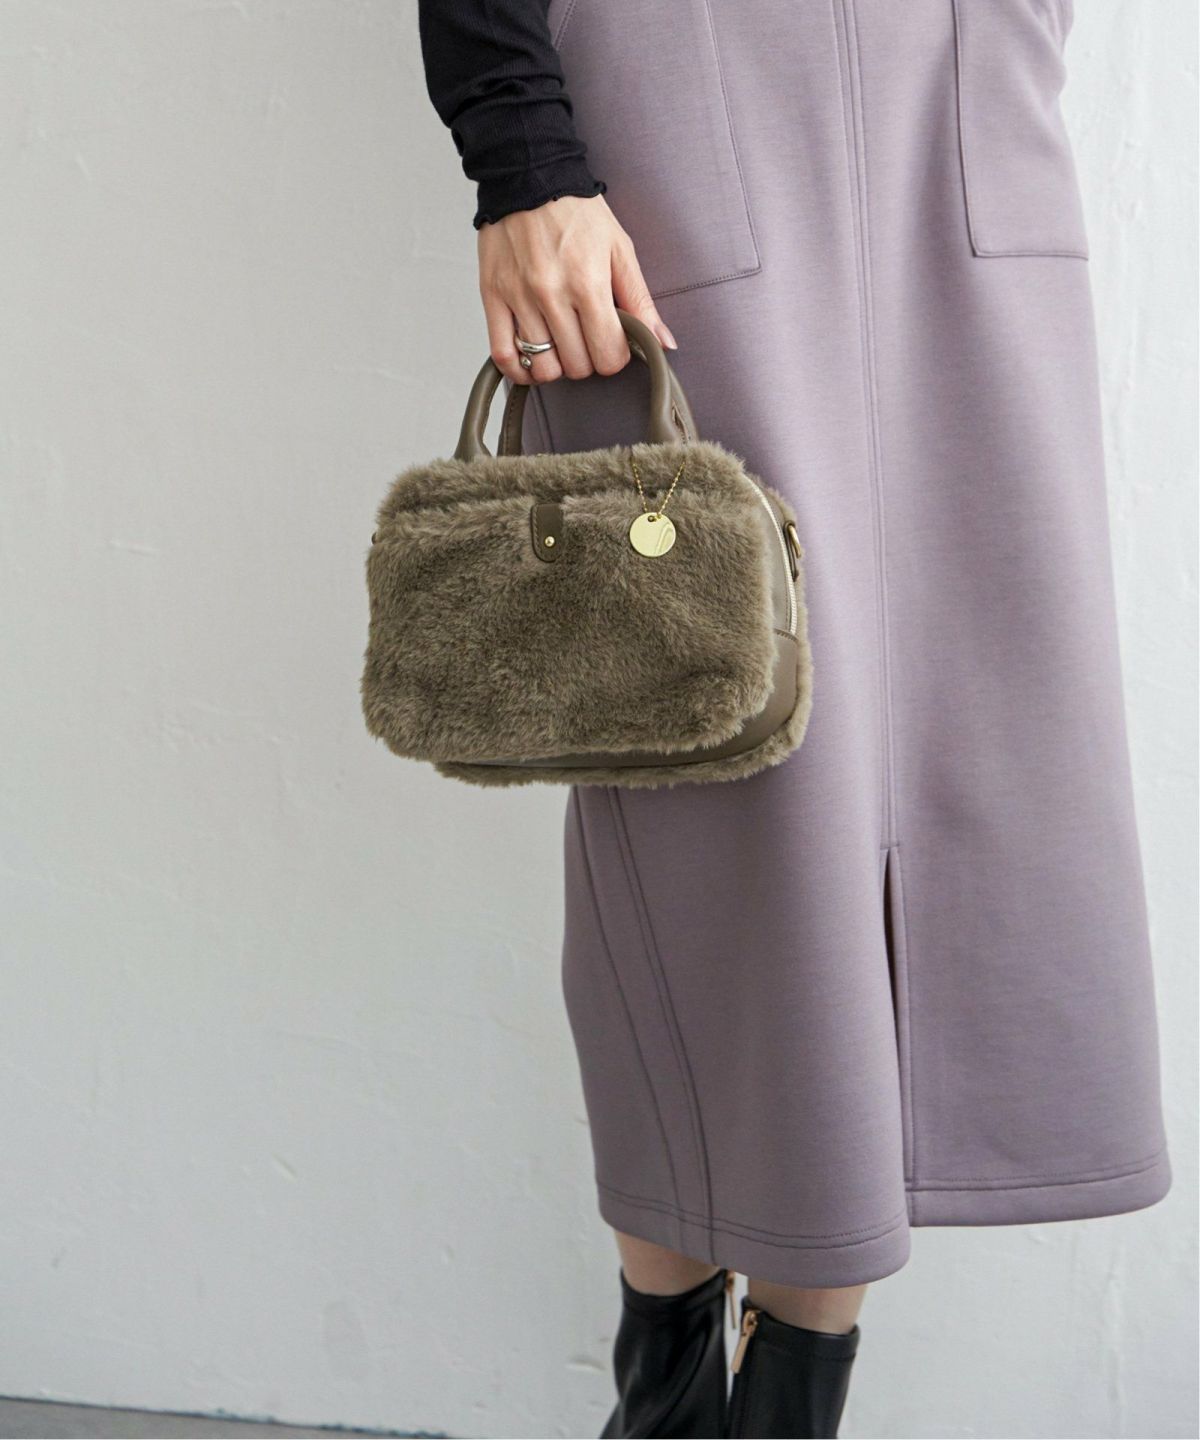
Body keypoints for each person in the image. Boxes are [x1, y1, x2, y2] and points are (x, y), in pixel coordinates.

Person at [416, 2, 1172, 1436]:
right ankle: (668, 1401)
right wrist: (523, 163)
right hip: (677, 86)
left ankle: (786, 1407)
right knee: (713, 747)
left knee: (976, 742)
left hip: (964, 80)